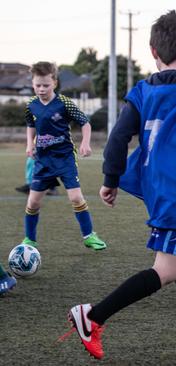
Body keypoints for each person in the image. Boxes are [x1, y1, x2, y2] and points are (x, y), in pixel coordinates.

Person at [60, 11, 176, 360]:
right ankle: (92, 316)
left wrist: (110, 179)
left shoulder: (142, 90)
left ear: (152, 51)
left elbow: (118, 138)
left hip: (161, 187)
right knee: (167, 270)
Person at [21, 62, 106, 250]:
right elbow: (30, 125)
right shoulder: (31, 105)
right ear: (33, 84)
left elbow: (85, 123)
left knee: (76, 197)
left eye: (46, 85)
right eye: (37, 85)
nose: (41, 89)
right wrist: (29, 143)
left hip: (64, 157)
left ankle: (89, 235)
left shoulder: (64, 103)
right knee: (33, 201)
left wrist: (85, 143)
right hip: (42, 160)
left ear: (55, 83)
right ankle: (29, 240)